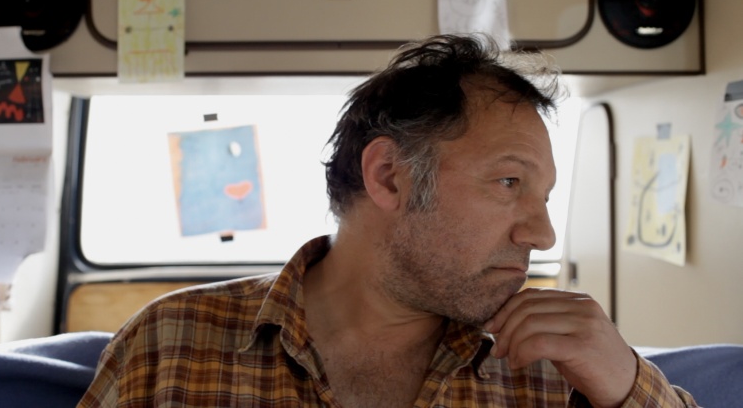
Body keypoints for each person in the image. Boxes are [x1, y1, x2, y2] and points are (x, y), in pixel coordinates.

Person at [78, 34, 698, 407]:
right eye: (509, 183)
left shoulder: (556, 371)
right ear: (389, 177)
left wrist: (627, 387)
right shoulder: (169, 343)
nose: (542, 234)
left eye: (544, 196)